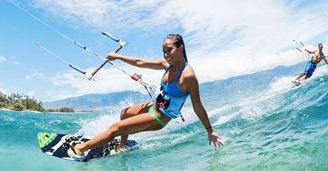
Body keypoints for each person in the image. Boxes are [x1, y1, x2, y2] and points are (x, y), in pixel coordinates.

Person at [68, 34, 224, 160]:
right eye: (163, 51)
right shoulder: (167, 65)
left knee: (116, 128)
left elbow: (198, 106)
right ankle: (122, 147)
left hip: (159, 118)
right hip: (153, 107)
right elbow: (140, 62)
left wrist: (209, 130)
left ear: (180, 48)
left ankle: (80, 149)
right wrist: (118, 57)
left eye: (169, 50)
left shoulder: (188, 76)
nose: (166, 54)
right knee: (124, 114)